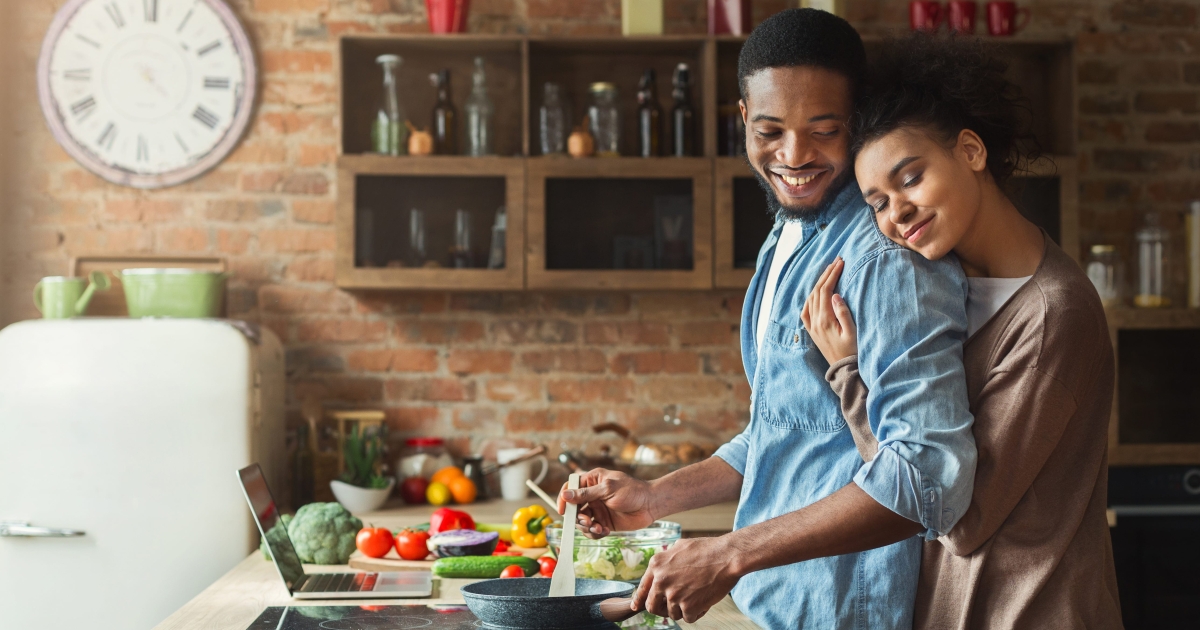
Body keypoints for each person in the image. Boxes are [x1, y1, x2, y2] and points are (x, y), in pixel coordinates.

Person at [556, 9, 978, 628]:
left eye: (823, 130)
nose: (794, 155)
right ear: (744, 119)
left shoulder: (886, 258)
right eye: (771, 130)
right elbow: (787, 427)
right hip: (778, 604)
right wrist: (655, 496)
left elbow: (926, 480)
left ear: (857, 122)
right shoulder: (788, 235)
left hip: (847, 611)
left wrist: (728, 554)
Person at [801, 34, 1122, 629]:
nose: (896, 212)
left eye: (911, 177)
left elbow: (957, 514)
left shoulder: (1053, 314)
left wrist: (848, 374)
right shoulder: (946, 294)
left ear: (970, 151)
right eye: (876, 202)